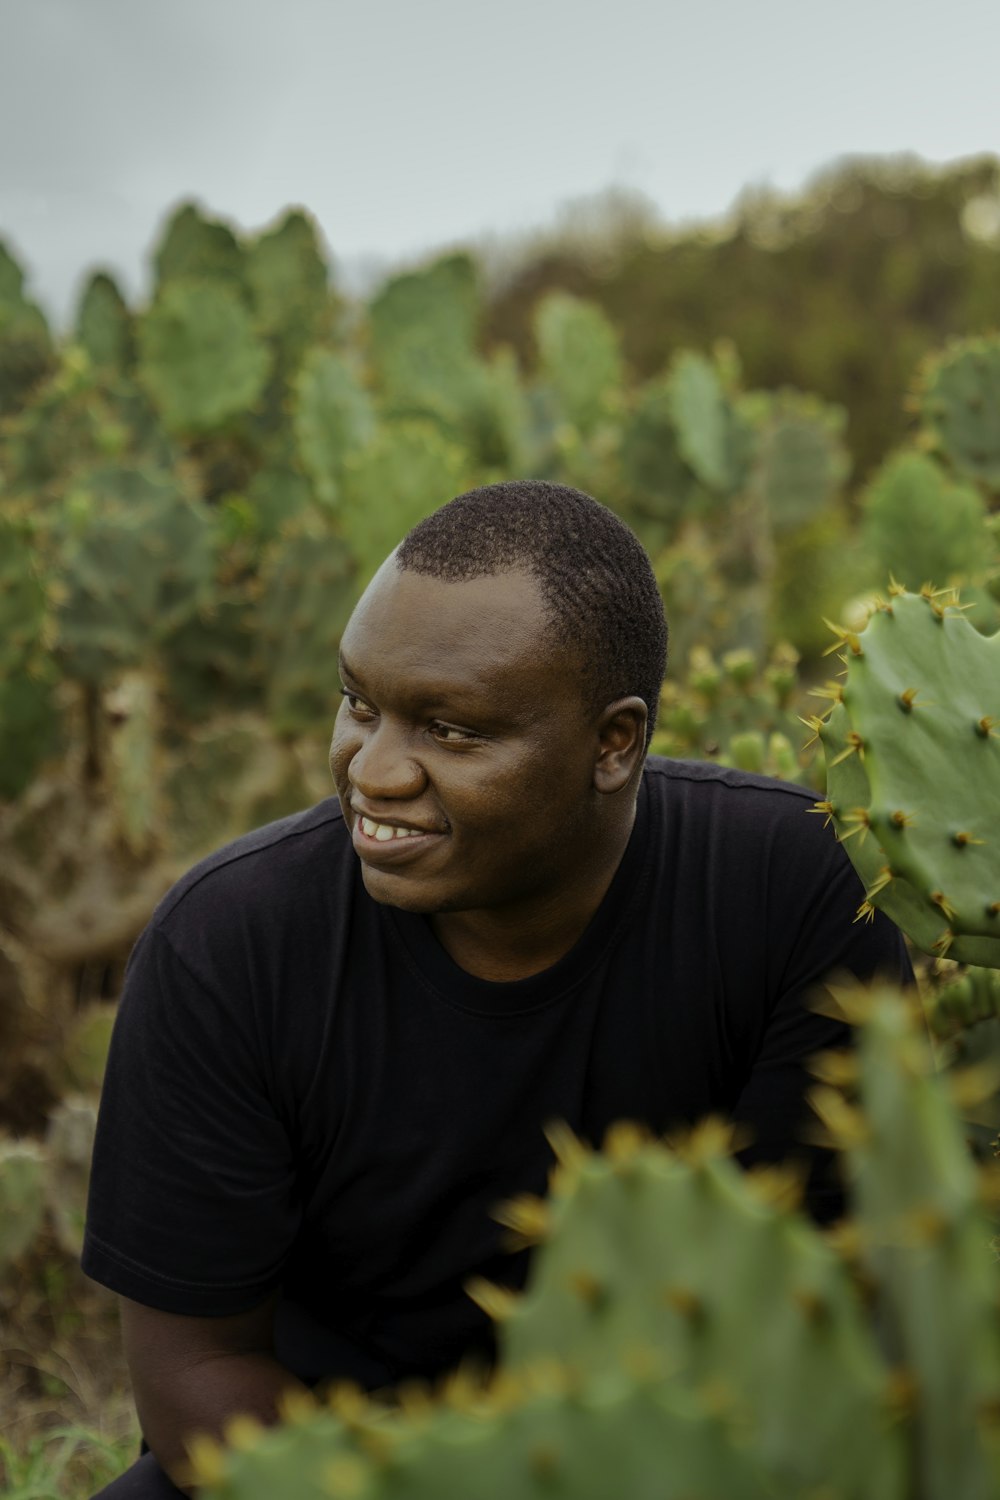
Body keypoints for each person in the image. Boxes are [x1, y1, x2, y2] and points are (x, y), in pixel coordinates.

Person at [83, 480, 912, 1497]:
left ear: (615, 744)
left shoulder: (787, 895)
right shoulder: (228, 945)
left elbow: (831, 1289)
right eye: (360, 705)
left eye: (450, 729)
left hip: (683, 1456)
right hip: (338, 1469)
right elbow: (194, 1372)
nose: (373, 772)